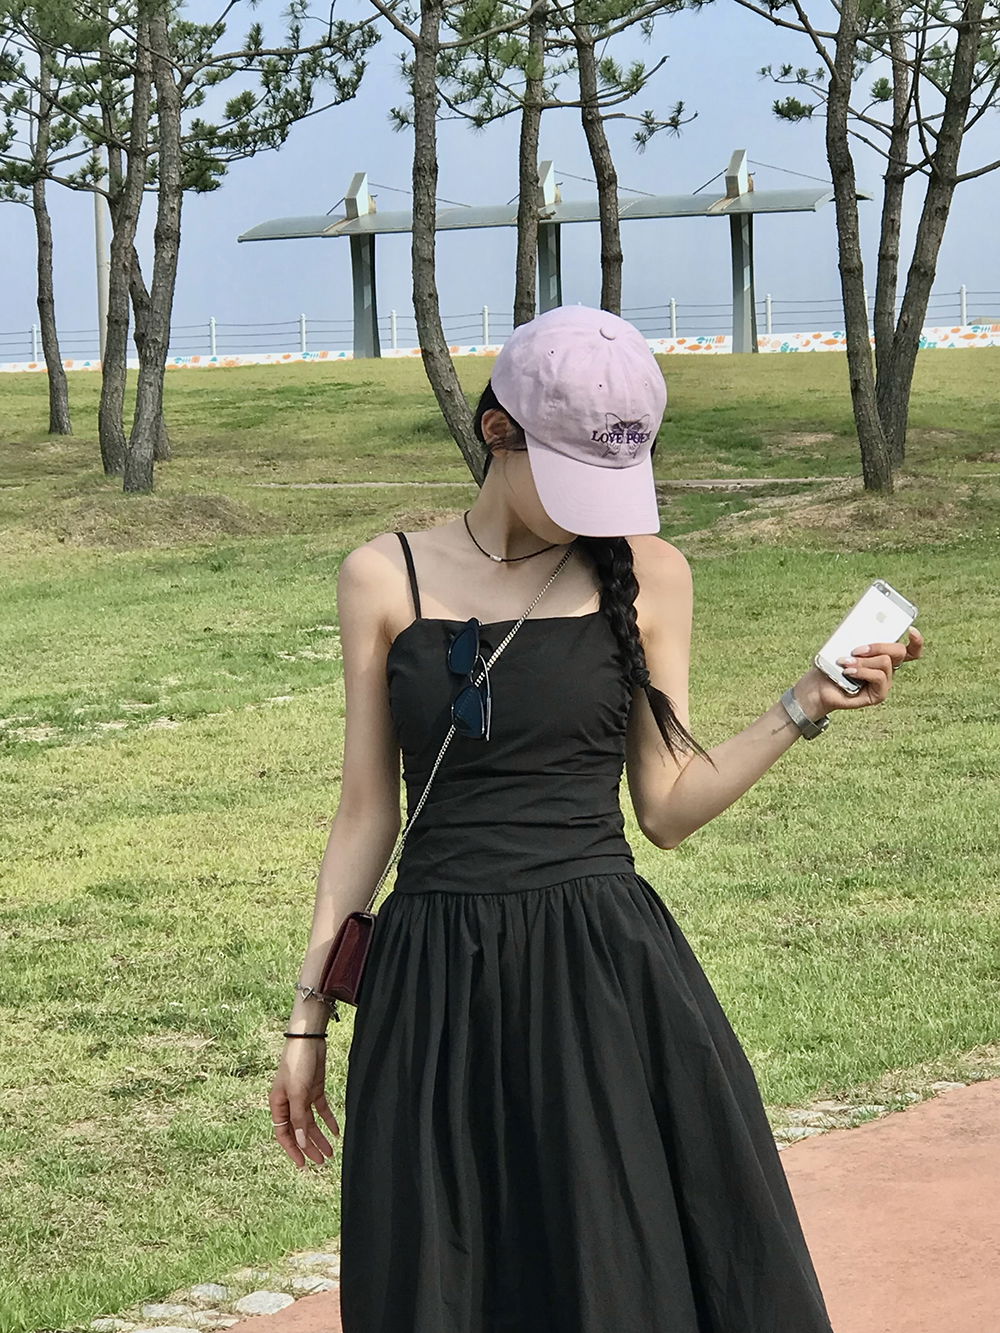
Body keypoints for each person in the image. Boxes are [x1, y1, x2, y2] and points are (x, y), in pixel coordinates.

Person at [268, 304, 923, 1332]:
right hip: (435, 986)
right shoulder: (382, 575)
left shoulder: (652, 574)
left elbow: (665, 808)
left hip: (600, 982)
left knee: (614, 1278)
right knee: (445, 1281)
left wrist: (803, 705)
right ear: (497, 431)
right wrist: (308, 1015)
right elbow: (364, 814)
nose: (596, 513)